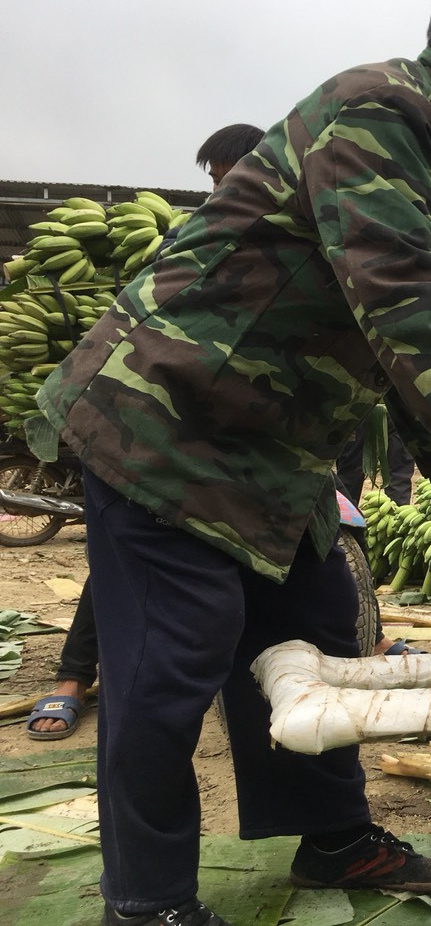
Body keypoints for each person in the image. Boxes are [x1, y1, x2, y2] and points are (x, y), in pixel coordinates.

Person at [32, 0, 431, 924]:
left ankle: (332, 839)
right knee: (167, 669)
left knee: (311, 629)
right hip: (167, 425)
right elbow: (399, 297)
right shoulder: (379, 109)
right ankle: (146, 902)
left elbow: (394, 326)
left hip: (269, 445)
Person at [24, 122, 268, 741]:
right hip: (146, 425)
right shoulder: (196, 241)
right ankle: (74, 676)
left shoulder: (281, 242)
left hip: (234, 441)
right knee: (124, 559)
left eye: (225, 179)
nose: (217, 193)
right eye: (213, 182)